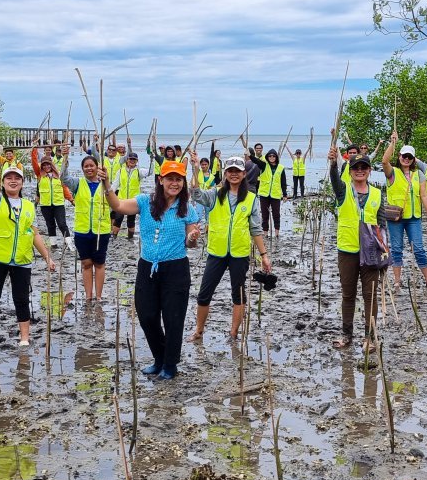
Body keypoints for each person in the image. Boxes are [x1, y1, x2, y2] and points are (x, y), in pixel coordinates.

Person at [104, 160, 201, 379]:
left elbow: (191, 241)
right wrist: (107, 185)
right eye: (170, 179)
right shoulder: (145, 202)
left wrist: (192, 237)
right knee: (147, 315)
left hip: (176, 268)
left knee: (173, 318)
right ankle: (159, 358)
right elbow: (117, 205)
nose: (174, 183)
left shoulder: (187, 208)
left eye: (178, 179)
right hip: (147, 267)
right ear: (161, 180)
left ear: (183, 182)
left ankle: (170, 365)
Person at [0, 146, 57, 349]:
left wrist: (47, 258)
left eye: (17, 178)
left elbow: (34, 233)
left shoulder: (28, 205)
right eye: (9, 178)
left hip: (22, 259)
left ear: (22, 183)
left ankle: (24, 337)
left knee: (21, 298)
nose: (13, 181)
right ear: (4, 182)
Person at [187, 153, 272, 341]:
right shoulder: (215, 194)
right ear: (225, 173)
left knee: (239, 295)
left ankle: (234, 333)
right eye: (230, 171)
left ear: (243, 174)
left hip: (239, 254)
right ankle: (198, 331)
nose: (234, 174)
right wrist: (194, 168)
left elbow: (256, 229)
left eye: (238, 171)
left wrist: (264, 255)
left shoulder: (251, 198)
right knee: (204, 294)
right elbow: (195, 194)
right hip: (216, 253)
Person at [329, 147, 386, 349]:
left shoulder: (378, 194)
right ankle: (346, 335)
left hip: (370, 251)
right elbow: (334, 179)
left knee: (370, 295)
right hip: (347, 249)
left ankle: (370, 337)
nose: (359, 170)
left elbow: (381, 224)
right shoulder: (343, 190)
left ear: (369, 170)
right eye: (355, 168)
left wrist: (384, 252)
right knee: (348, 294)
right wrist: (333, 163)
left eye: (364, 167)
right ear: (350, 171)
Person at [382, 133, 427, 290]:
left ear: (413, 159)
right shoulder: (392, 172)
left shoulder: (418, 174)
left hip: (414, 217)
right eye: (404, 156)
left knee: (419, 248)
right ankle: (397, 281)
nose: (406, 159)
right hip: (396, 217)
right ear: (399, 156)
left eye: (409, 157)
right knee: (397, 248)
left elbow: (424, 195)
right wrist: (393, 143)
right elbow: (384, 160)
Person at [64, 152, 112, 303]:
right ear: (82, 169)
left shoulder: (105, 185)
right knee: (86, 264)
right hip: (82, 231)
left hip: (101, 231)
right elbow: (63, 178)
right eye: (86, 166)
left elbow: (114, 200)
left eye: (92, 165)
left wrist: (107, 180)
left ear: (98, 167)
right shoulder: (78, 183)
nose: (89, 168)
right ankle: (88, 296)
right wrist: (65, 158)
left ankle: (98, 296)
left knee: (99, 263)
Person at [30, 146, 72, 247]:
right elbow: (34, 162)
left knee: (62, 224)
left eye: (48, 164)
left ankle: (69, 244)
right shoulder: (40, 175)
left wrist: (71, 199)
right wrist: (34, 149)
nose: (46, 167)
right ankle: (54, 245)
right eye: (44, 165)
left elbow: (64, 189)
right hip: (45, 205)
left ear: (51, 165)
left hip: (58, 204)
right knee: (50, 225)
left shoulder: (58, 176)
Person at [111, 150, 143, 238]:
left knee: (131, 220)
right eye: (130, 159)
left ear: (137, 161)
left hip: (133, 201)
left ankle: (130, 237)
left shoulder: (139, 172)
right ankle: (114, 236)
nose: (132, 161)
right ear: (127, 160)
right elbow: (115, 184)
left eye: (134, 159)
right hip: (121, 200)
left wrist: (152, 159)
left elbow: (150, 172)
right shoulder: (121, 171)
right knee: (118, 218)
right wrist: (109, 194)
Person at [258, 149, 289, 237]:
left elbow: (283, 182)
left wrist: (285, 194)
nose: (272, 157)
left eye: (273, 156)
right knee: (265, 215)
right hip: (264, 194)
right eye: (270, 156)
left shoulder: (281, 168)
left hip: (275, 195)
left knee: (276, 214)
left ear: (276, 157)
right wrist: (249, 155)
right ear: (267, 157)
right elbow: (256, 160)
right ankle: (265, 233)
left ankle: (277, 233)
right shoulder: (264, 165)